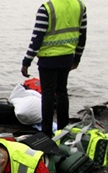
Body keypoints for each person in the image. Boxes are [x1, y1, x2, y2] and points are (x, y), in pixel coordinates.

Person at [21, 0, 87, 138]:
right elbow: (82, 35)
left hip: (48, 57)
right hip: (67, 56)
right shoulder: (80, 6)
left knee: (48, 94)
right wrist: (77, 57)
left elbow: (37, 37)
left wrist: (27, 61)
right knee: (62, 91)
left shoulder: (47, 8)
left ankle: (46, 131)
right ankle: (63, 130)